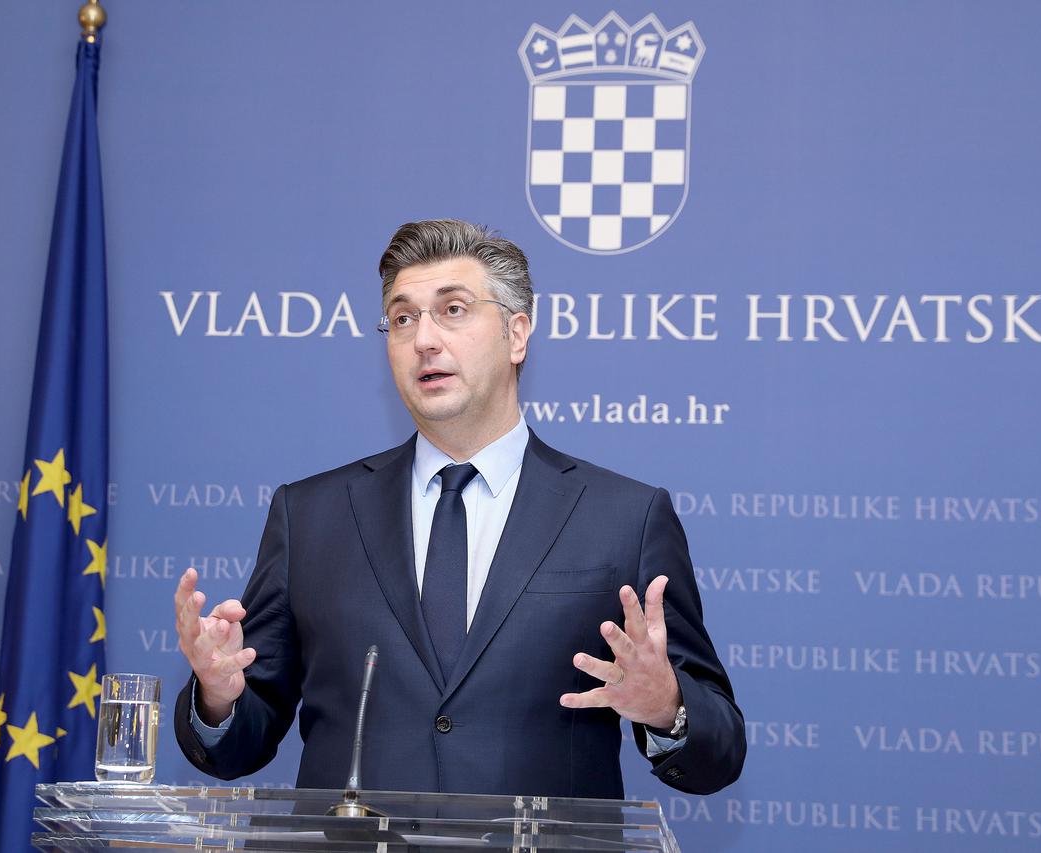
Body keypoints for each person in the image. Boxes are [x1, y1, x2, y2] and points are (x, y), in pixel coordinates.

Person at [172, 219, 745, 798]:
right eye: (402, 318)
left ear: (517, 335)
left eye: (453, 310)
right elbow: (242, 740)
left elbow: (719, 753)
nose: (424, 339)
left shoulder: (625, 516)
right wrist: (219, 696)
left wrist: (667, 706)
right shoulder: (310, 515)